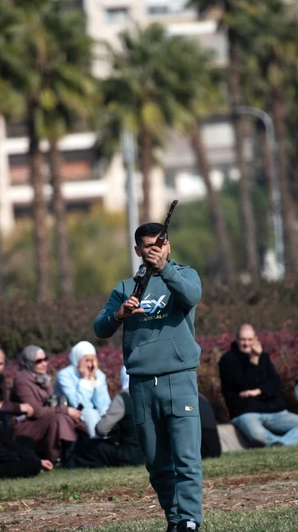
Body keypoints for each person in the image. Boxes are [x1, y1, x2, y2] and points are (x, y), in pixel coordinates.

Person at [94, 222, 203, 532]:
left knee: (186, 458)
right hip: (141, 385)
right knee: (156, 463)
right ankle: (175, 520)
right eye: (148, 247)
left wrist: (165, 269)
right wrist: (120, 314)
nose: (154, 251)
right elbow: (100, 327)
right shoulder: (125, 288)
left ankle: (190, 520)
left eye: (160, 245)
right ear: (137, 250)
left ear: (167, 245)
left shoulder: (184, 275)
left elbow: (191, 297)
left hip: (179, 379)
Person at [220, 324, 298, 447]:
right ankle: (282, 443)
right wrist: (254, 359)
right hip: (246, 412)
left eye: (250, 339)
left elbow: (275, 383)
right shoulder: (228, 360)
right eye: (243, 340)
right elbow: (243, 384)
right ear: (236, 339)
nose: (246, 343)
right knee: (257, 434)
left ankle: (282, 444)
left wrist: (258, 391)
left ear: (256, 339)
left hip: (274, 411)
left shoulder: (264, 357)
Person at [10, 345, 81, 465]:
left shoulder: (43, 379)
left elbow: (50, 405)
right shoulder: (22, 382)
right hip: (26, 424)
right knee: (59, 418)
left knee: (71, 418)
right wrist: (65, 410)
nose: (44, 364)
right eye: (39, 361)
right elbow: (36, 411)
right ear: (29, 362)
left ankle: (74, 453)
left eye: (45, 359)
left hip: (43, 419)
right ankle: (53, 458)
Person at [69, 367, 145, 469]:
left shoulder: (124, 398)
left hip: (129, 454)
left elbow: (101, 429)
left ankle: (71, 464)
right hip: (149, 454)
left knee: (89, 446)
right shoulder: (149, 395)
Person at [54, 341, 111, 438]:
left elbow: (103, 403)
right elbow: (78, 405)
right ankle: (97, 442)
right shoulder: (64, 376)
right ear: (77, 359)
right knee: (91, 413)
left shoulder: (99, 374)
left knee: (105, 411)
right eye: (86, 360)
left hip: (94, 414)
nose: (90, 365)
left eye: (92, 360)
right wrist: (85, 380)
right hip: (74, 413)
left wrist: (93, 379)